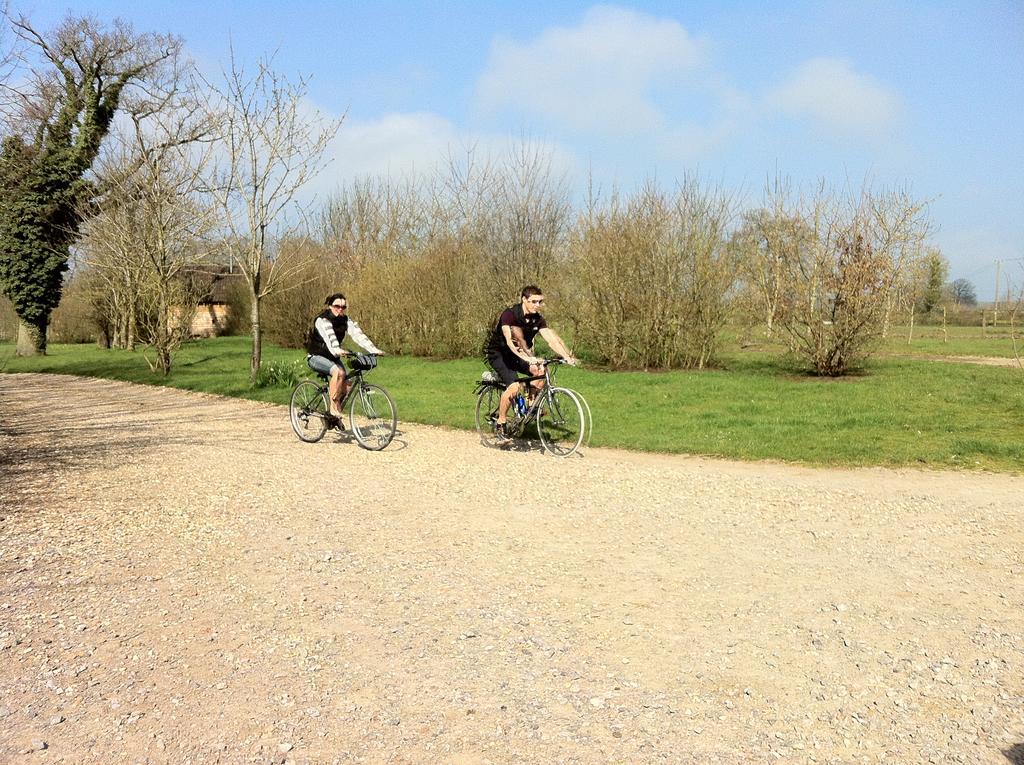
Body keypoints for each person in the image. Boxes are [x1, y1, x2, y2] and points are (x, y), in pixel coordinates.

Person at [484, 285, 577, 440]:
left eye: (540, 302)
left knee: (541, 372)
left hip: (519, 355)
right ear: (524, 300)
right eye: (534, 301)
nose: (537, 305)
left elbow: (551, 339)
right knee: (514, 386)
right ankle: (501, 423)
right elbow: (510, 341)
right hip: (499, 354)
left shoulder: (538, 319)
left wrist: (566, 356)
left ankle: (530, 406)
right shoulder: (510, 315)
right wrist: (527, 358)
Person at [306, 293, 383, 419]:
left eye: (343, 307)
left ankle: (336, 412)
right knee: (339, 372)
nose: (340, 309)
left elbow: (359, 335)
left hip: (332, 357)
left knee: (347, 384)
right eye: (337, 306)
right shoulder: (323, 320)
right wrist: (337, 350)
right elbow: (330, 338)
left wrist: (374, 349)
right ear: (330, 306)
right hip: (316, 356)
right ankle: (332, 408)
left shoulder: (346, 320)